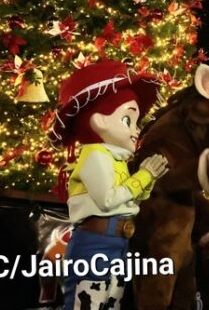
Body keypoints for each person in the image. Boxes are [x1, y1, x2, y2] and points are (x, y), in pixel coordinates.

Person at [48, 61, 169, 310]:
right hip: (96, 242)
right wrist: (144, 176)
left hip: (118, 241)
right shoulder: (95, 155)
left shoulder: (117, 158)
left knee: (110, 302)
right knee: (88, 302)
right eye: (127, 119)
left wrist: (149, 178)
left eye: (136, 123)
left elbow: (130, 199)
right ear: (100, 120)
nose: (136, 131)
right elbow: (108, 200)